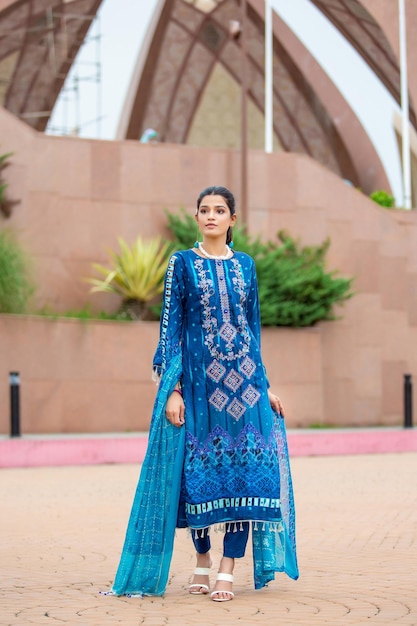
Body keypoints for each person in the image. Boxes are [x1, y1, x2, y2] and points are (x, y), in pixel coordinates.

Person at [110, 186, 299, 601]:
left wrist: (265, 387)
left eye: (220, 210)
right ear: (196, 218)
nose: (211, 216)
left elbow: (252, 332)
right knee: (196, 476)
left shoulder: (246, 266)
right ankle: (202, 558)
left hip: (246, 391)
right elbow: (170, 329)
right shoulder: (182, 263)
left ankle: (228, 569)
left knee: (245, 475)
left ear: (233, 220)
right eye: (204, 210)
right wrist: (171, 389)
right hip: (197, 388)